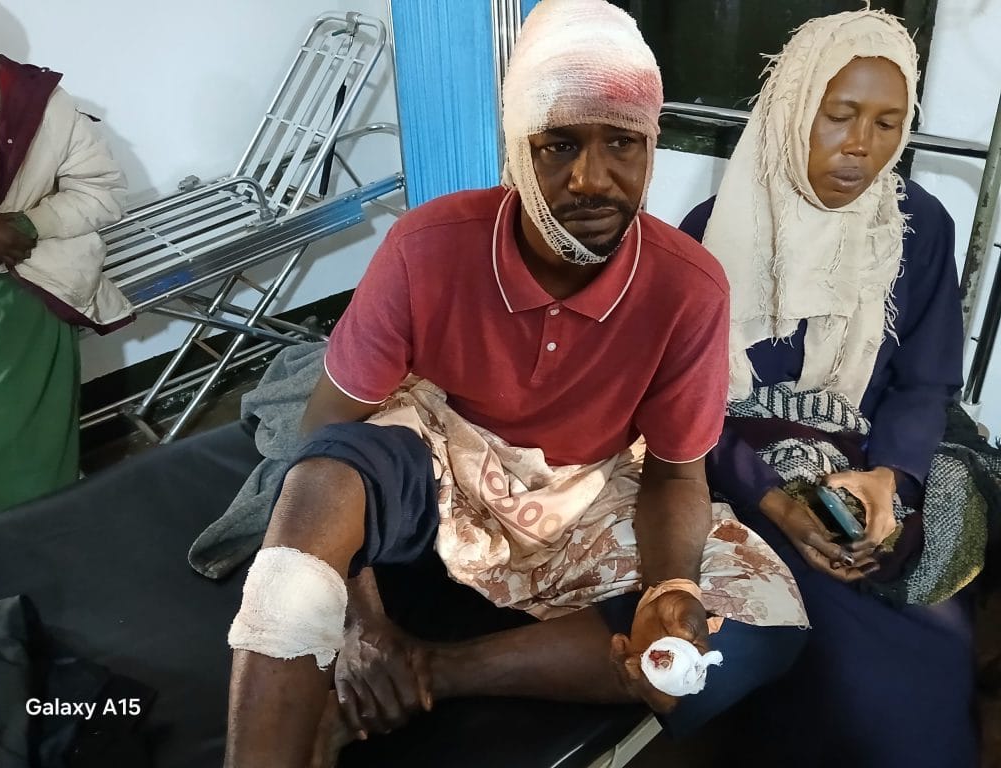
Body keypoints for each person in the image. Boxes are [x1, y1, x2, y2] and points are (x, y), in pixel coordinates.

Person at [222, 2, 808, 766]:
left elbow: (674, 475)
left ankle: (433, 671)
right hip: (444, 463)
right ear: (516, 147)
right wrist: (358, 625)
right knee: (322, 480)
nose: (591, 179)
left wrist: (672, 594)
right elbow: (326, 433)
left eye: (622, 143)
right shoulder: (426, 247)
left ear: (650, 147)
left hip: (583, 493)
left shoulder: (689, 288)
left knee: (757, 627)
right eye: (558, 145)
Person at [679, 10, 978, 766]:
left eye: (887, 123)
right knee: (846, 649)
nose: (861, 146)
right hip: (735, 475)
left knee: (928, 635)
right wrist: (775, 500)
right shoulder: (707, 239)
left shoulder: (917, 227)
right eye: (838, 115)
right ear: (792, 111)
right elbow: (685, 411)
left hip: (864, 465)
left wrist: (889, 477)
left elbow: (925, 382)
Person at [0, 0, 130, 517]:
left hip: (12, 286)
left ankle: (29, 525)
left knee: (13, 447)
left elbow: (103, 191)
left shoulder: (31, 101)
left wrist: (23, 226)